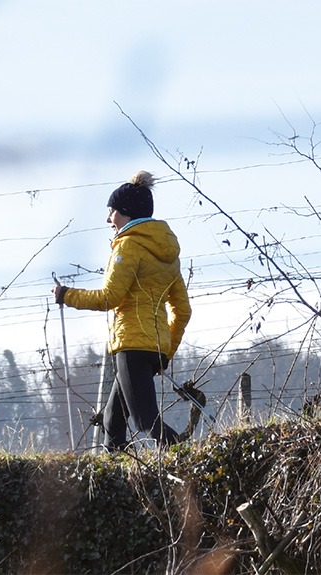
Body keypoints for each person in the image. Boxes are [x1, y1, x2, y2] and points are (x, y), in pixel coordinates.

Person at [52, 171, 191, 449]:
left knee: (144, 421)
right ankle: (111, 478)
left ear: (127, 212)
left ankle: (188, 459)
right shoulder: (168, 254)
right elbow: (182, 310)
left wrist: (67, 295)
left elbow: (109, 297)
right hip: (154, 346)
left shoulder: (128, 246)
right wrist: (166, 352)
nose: (108, 219)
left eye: (112, 211)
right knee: (112, 419)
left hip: (131, 343)